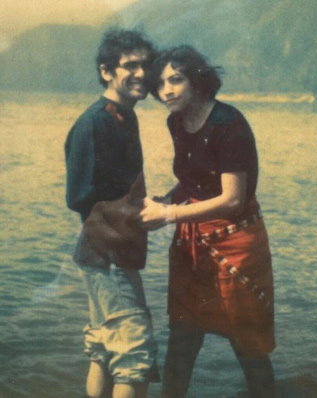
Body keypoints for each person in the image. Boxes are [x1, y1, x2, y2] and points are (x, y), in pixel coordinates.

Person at [139, 45, 275, 398]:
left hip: (236, 241)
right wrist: (166, 200)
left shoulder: (227, 123)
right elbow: (193, 180)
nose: (166, 90)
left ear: (197, 80)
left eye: (176, 80)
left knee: (247, 344)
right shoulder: (177, 121)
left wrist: (168, 214)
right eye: (160, 83)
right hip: (191, 242)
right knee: (182, 337)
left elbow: (232, 199)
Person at [64, 29, 158, 398]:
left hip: (106, 251)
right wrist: (135, 214)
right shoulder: (96, 122)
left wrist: (144, 206)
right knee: (134, 359)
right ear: (106, 71)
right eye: (129, 65)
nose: (140, 73)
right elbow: (81, 197)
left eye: (145, 66)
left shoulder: (121, 116)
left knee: (104, 349)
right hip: (109, 254)